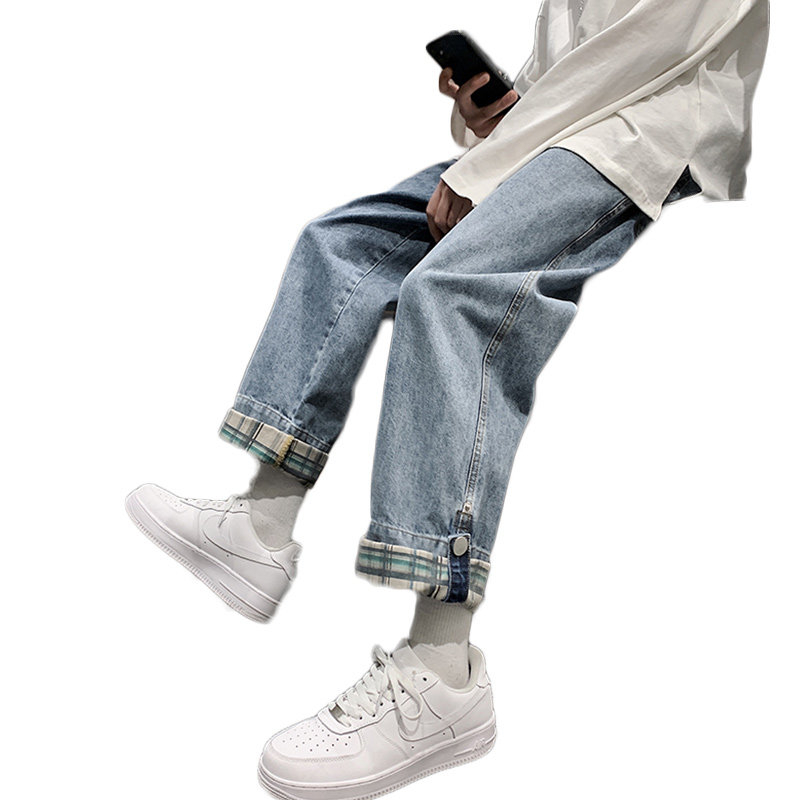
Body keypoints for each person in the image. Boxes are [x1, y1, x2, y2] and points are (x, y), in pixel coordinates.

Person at [124, 1, 770, 797]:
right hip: (567, 132)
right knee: (345, 243)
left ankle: (442, 671)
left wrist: (491, 166)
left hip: (643, 133)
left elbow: (647, 51)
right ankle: (261, 524)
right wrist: (497, 117)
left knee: (450, 292)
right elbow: (571, 67)